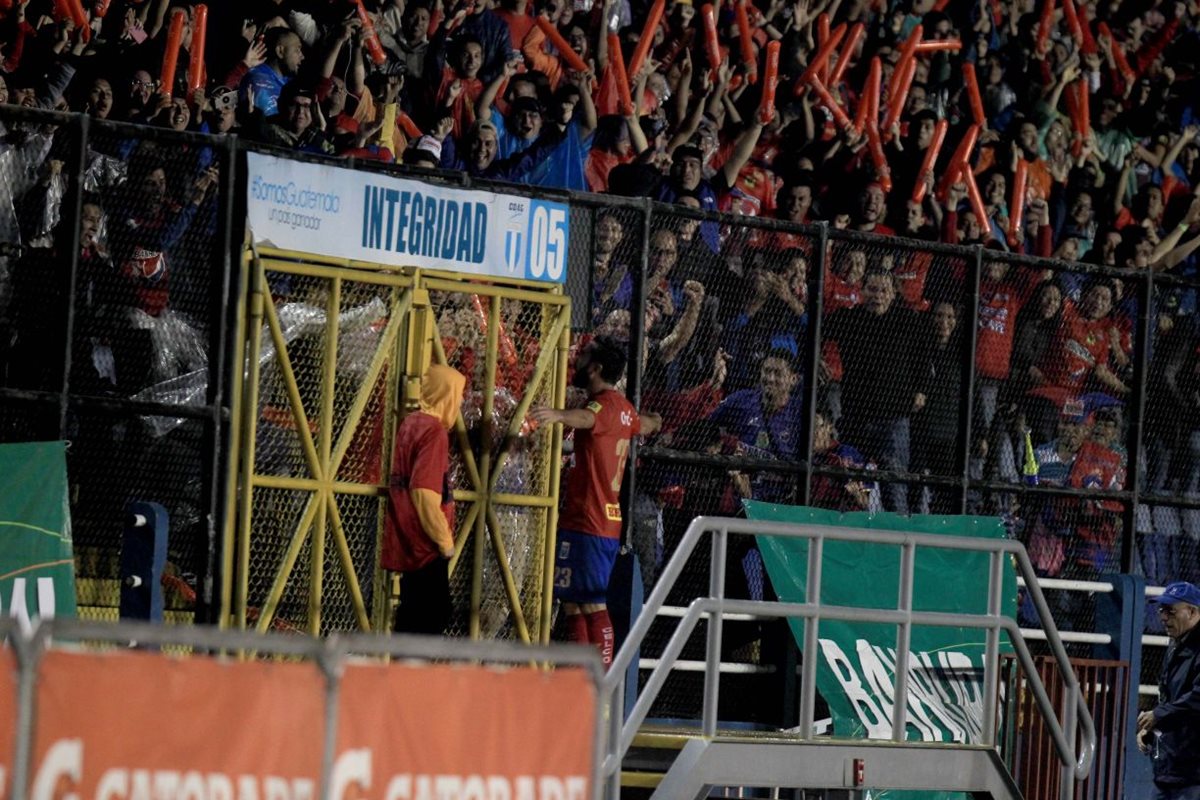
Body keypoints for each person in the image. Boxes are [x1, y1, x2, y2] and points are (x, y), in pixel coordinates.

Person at [530, 336, 660, 666]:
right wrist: (657, 420)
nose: (577, 360)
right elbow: (646, 424)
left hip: (593, 521)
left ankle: (600, 682)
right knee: (572, 601)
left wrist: (559, 415)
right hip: (584, 520)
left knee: (592, 603)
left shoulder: (603, 407)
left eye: (583, 356)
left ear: (596, 369)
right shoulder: (625, 411)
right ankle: (581, 677)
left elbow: (588, 419)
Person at [382, 364, 467, 635]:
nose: (462, 401)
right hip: (426, 546)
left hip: (406, 541)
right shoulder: (434, 432)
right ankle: (413, 678)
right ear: (447, 395)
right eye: (459, 394)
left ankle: (402, 675)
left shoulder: (411, 423)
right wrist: (445, 542)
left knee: (411, 620)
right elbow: (424, 493)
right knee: (432, 619)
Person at [1138, 581, 1200, 799]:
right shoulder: (1176, 643)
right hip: (1173, 768)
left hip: (1193, 773)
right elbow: (1170, 698)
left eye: (1171, 611)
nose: (1163, 617)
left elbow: (1196, 699)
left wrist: (1158, 716)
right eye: (1162, 610)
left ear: (1192, 612)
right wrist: (1154, 728)